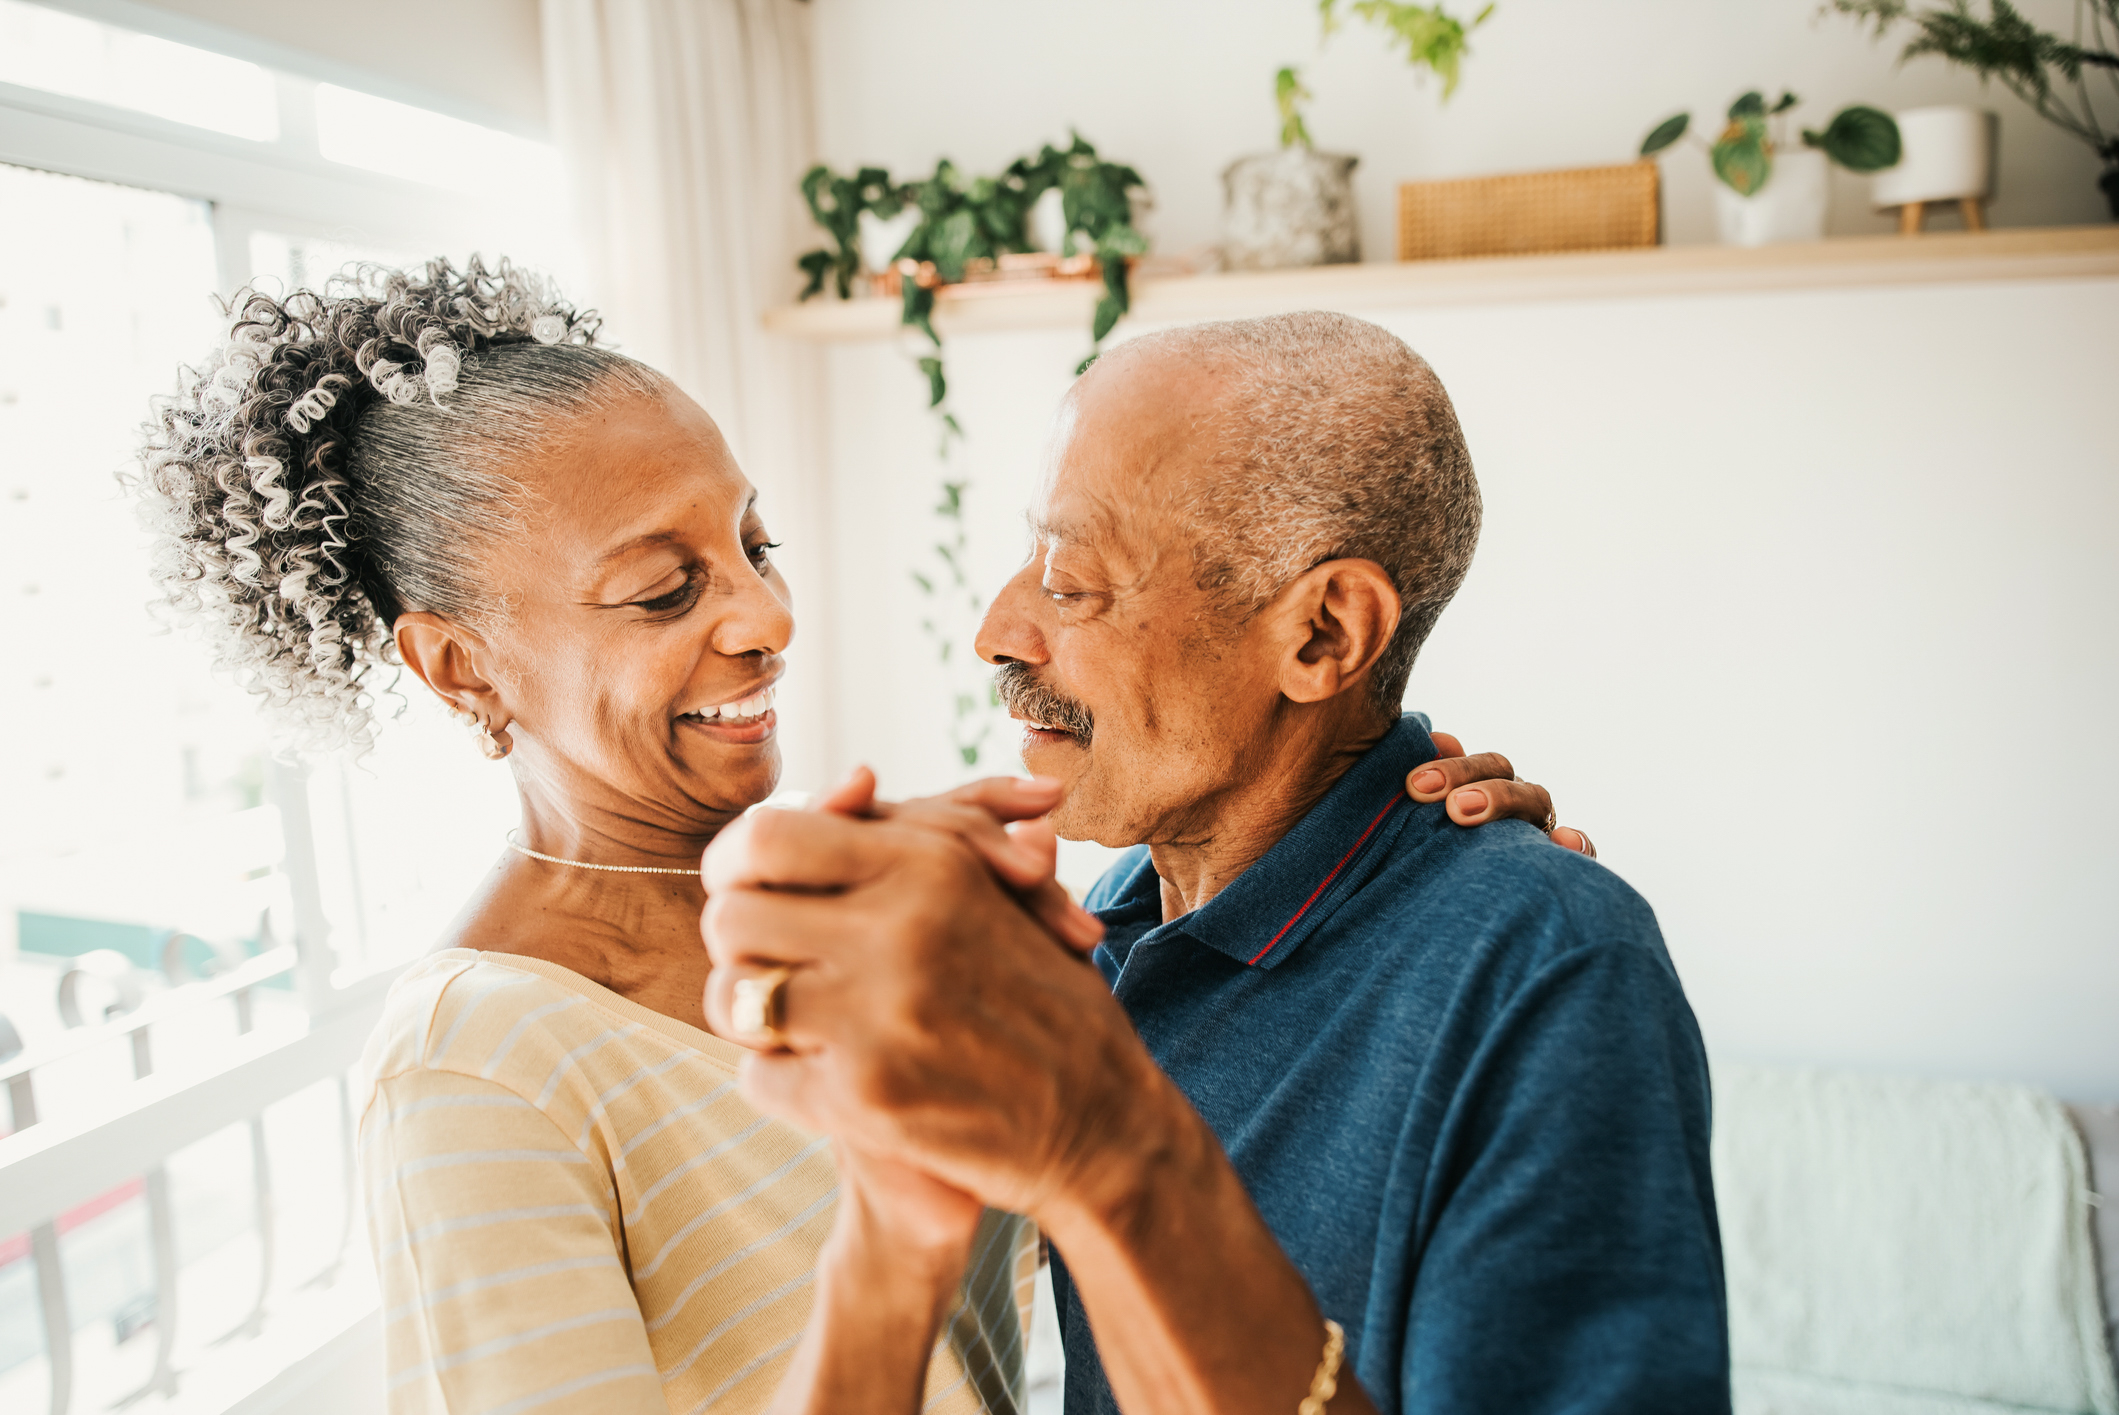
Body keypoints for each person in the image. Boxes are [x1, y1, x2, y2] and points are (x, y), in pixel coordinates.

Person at [131, 263, 1585, 1415]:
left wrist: (1421, 879)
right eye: (660, 589)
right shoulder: (479, 1067)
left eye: (751, 544)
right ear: (459, 665)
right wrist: (892, 1252)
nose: (762, 615)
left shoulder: (882, 904)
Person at [699, 313, 1729, 1414]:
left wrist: (1121, 1155)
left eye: (1070, 578)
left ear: (1324, 634)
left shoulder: (1549, 966)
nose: (996, 629)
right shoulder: (1112, 928)